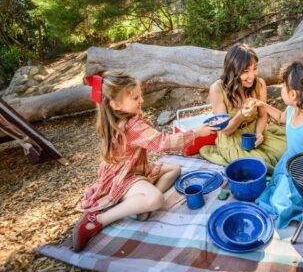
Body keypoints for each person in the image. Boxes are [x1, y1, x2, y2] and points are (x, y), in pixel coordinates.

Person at [72, 71, 215, 252]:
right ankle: (97, 221)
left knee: (175, 169)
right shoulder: (132, 126)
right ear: (116, 104)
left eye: (140, 95)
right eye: (135, 98)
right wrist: (195, 133)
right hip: (122, 176)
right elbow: (162, 143)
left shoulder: (117, 119)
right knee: (156, 199)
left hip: (136, 169)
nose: (141, 100)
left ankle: (140, 205)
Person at [250, 61, 303, 228]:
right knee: (272, 192)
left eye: (282, 86)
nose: (280, 88)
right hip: (289, 161)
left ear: (293, 94)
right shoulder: (293, 109)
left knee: (281, 205)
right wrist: (263, 105)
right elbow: (281, 118)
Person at [199, 43, 286, 173]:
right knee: (260, 165)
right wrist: (240, 115)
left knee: (286, 152)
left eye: (255, 68)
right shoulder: (217, 89)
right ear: (233, 71)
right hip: (232, 138)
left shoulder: (260, 84)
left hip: (255, 129)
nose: (252, 76)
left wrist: (259, 133)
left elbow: (262, 115)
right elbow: (226, 131)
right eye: (245, 71)